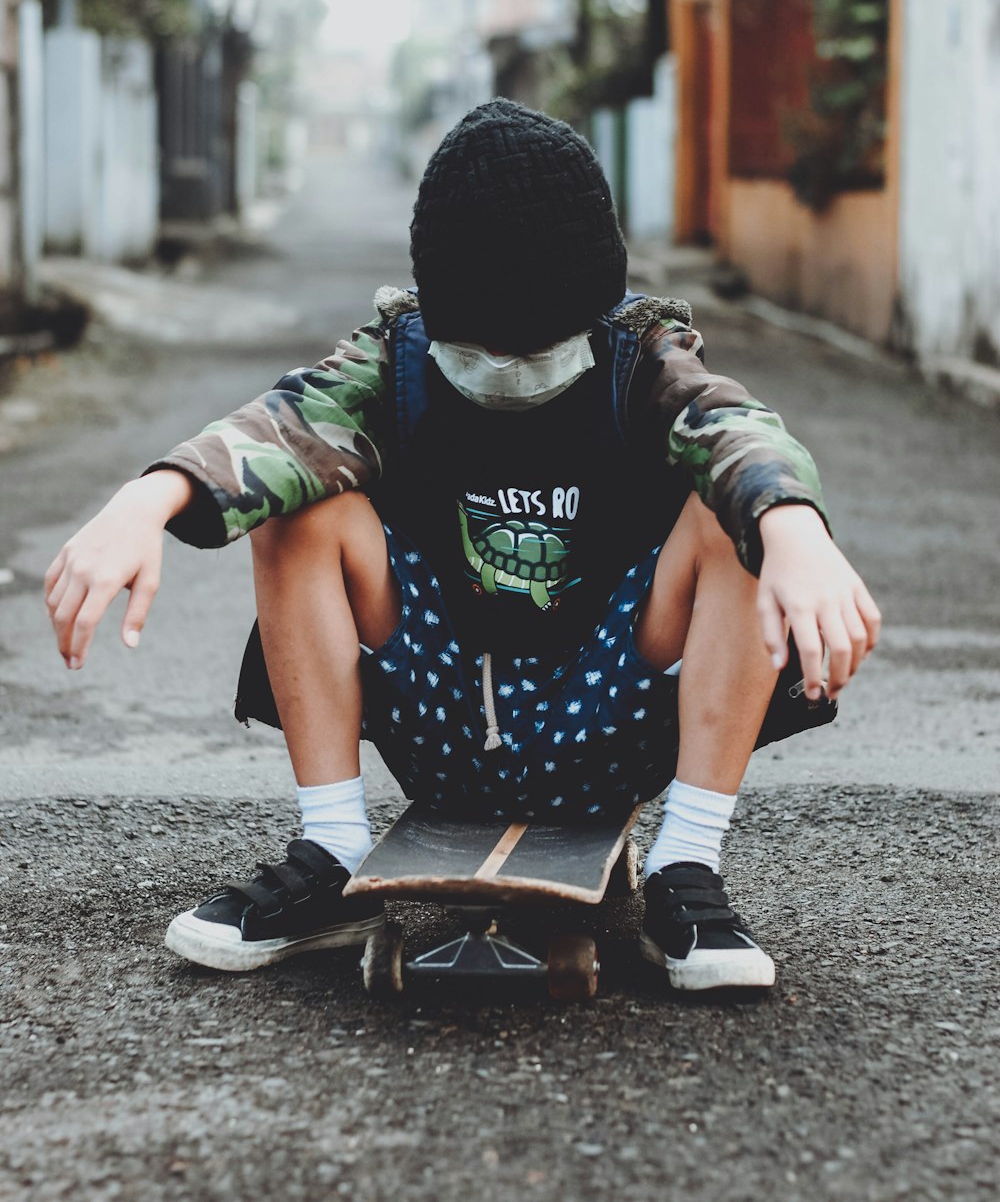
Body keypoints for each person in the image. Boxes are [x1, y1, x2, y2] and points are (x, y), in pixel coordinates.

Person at [44, 99, 880, 992]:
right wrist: (149, 497)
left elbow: (736, 431)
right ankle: (332, 851)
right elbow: (282, 426)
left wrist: (792, 526)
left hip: (610, 717)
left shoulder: (642, 363)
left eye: (541, 347)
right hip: (444, 715)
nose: (509, 367)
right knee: (302, 502)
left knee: (732, 513)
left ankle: (687, 868)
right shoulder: (394, 360)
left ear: (596, 313)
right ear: (434, 312)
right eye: (477, 348)